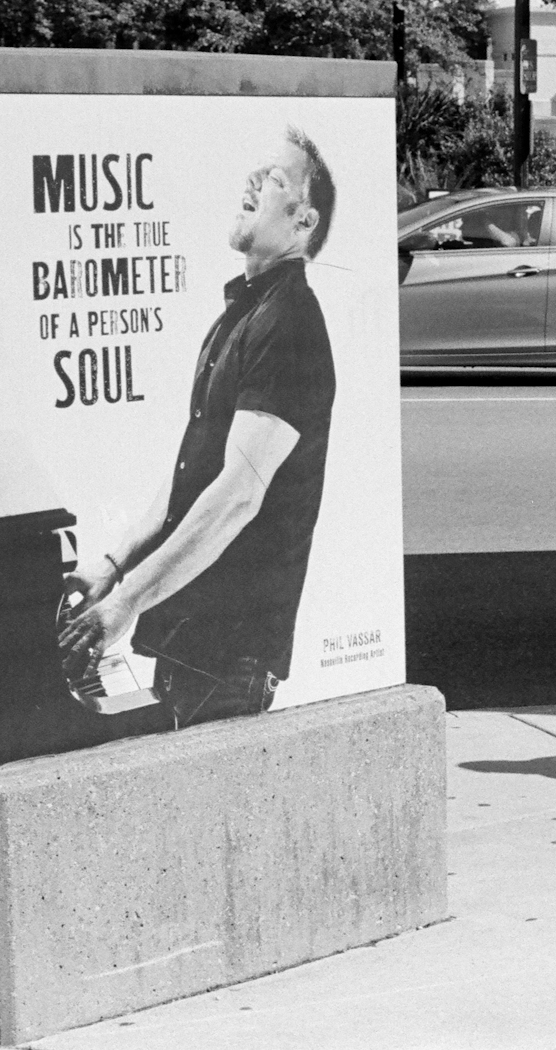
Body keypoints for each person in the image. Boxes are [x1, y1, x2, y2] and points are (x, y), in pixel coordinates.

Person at [57, 128, 338, 730]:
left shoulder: (289, 324)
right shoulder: (239, 317)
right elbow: (195, 473)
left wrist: (126, 603)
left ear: (304, 220)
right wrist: (111, 563)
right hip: (194, 644)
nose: (254, 184)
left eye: (275, 180)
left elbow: (238, 494)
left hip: (231, 655)